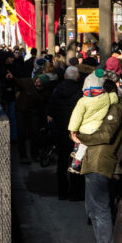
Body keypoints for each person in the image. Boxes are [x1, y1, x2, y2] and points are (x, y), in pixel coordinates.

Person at [74, 77, 122, 243]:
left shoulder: (116, 109)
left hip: (100, 161)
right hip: (95, 161)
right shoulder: (114, 107)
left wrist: (80, 136)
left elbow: (106, 135)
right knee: (93, 208)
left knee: (100, 209)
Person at [67, 68, 119, 174]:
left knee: (81, 144)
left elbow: (76, 117)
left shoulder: (83, 101)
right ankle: (77, 155)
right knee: (85, 145)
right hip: (97, 128)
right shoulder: (107, 98)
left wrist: (72, 131)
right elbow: (115, 98)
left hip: (84, 130)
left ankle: (76, 163)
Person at [47, 65, 84, 200]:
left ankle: (62, 192)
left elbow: (51, 110)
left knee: (62, 162)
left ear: (64, 76)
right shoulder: (80, 92)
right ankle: (75, 192)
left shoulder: (57, 90)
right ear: (78, 77)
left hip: (60, 130)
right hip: (76, 132)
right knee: (76, 161)